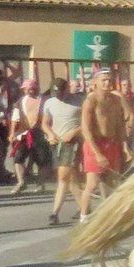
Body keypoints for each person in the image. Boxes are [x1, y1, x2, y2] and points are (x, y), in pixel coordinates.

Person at [78, 70, 134, 220]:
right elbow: (86, 128)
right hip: (95, 143)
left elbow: (119, 126)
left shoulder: (116, 100)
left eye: (109, 80)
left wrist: (125, 146)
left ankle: (108, 214)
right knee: (92, 183)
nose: (107, 83)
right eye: (103, 80)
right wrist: (97, 153)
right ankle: (84, 217)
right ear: (95, 82)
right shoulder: (91, 101)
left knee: (112, 181)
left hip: (112, 143)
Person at [42, 78, 83, 225]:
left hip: (72, 143)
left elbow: (87, 123)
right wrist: (50, 133)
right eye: (55, 92)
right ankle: (86, 208)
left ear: (67, 89)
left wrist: (74, 132)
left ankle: (55, 212)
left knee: (63, 177)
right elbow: (45, 124)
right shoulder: (50, 103)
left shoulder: (79, 101)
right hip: (57, 143)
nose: (58, 95)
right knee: (72, 179)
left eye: (60, 91)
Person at [7, 78, 47, 194]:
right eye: (27, 89)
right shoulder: (20, 102)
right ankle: (21, 182)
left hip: (40, 134)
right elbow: (15, 118)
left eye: (32, 88)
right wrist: (12, 133)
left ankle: (40, 183)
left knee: (41, 160)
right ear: (24, 90)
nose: (30, 91)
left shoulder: (43, 101)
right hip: (24, 134)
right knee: (18, 158)